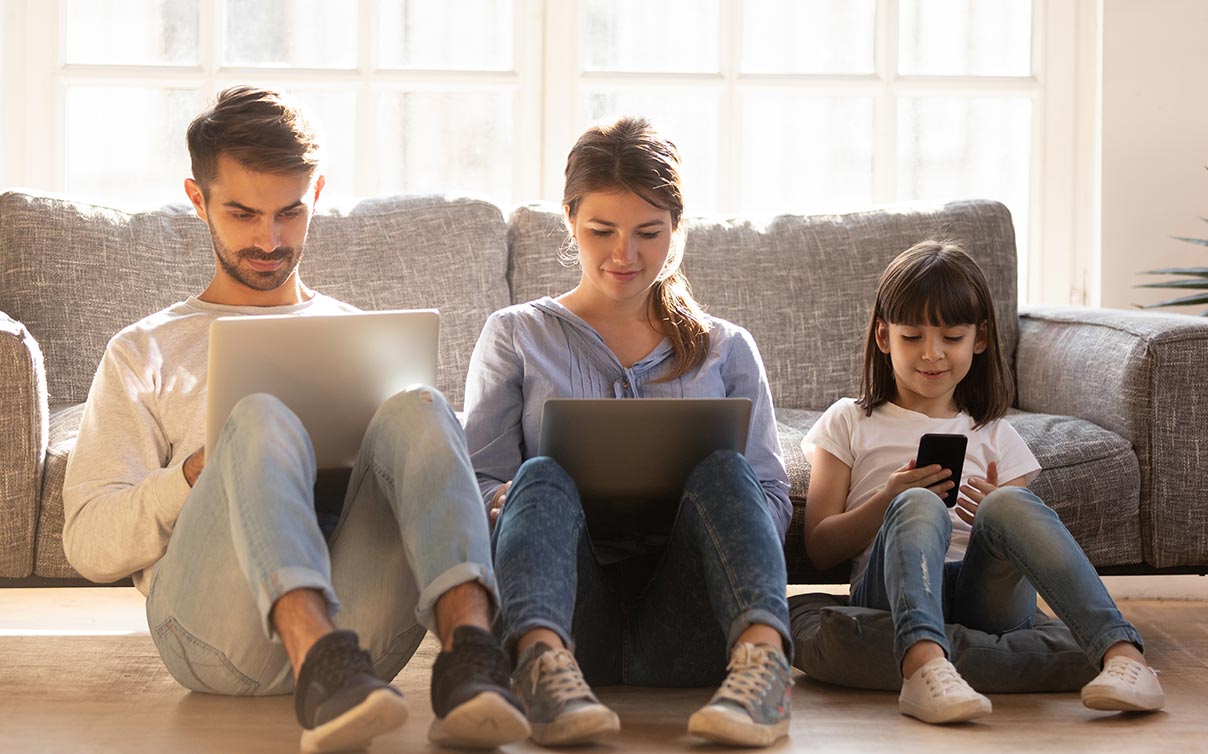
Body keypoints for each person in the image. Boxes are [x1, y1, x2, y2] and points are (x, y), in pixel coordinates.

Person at [61, 86, 529, 753]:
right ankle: (319, 662)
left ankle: (474, 664)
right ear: (198, 200)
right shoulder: (145, 350)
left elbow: (424, 479)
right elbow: (87, 541)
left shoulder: (358, 337)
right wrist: (200, 470)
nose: (269, 239)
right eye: (243, 213)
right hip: (212, 632)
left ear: (318, 194)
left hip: (362, 630)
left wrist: (459, 502)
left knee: (422, 405)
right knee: (256, 416)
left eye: (290, 213)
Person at [462, 116, 794, 748]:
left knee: (731, 471)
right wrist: (508, 501)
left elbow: (774, 501)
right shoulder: (516, 335)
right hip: (565, 610)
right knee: (538, 474)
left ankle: (765, 674)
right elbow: (476, 483)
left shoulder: (726, 349)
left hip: (692, 622)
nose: (625, 255)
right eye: (601, 231)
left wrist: (719, 514)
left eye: (649, 233)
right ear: (568, 219)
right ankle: (539, 670)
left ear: (677, 227)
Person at [803, 241, 1166, 724]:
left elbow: (1026, 552)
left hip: (982, 595)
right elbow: (820, 548)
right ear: (884, 337)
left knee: (1010, 504)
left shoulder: (994, 433)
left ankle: (1125, 658)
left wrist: (996, 509)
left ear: (979, 339)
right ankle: (924, 668)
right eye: (912, 337)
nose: (931, 354)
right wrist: (887, 499)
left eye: (951, 337)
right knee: (916, 502)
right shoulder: (849, 420)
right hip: (892, 590)